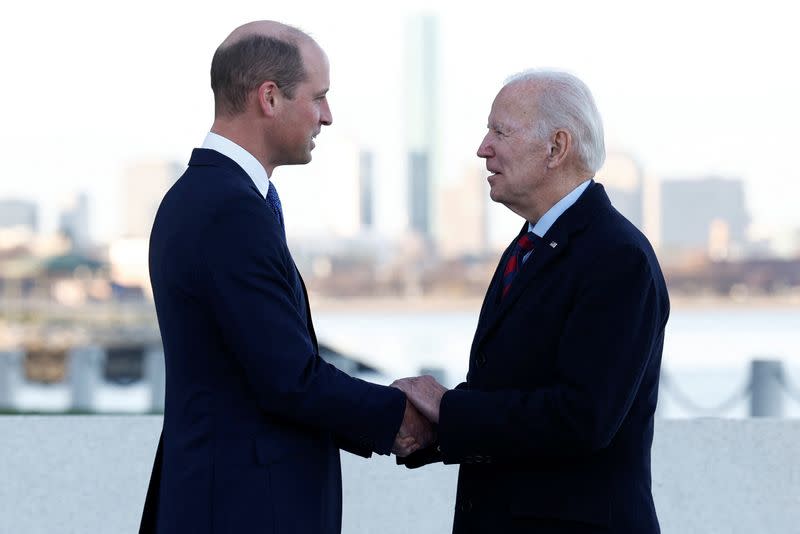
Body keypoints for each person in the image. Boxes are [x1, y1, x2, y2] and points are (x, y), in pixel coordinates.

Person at [139, 21, 432, 534]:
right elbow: (289, 379)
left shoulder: (206, 197)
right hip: (241, 510)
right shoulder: (228, 209)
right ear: (269, 97)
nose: (328, 116)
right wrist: (403, 418)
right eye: (318, 97)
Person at [394, 70, 670, 533]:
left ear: (556, 148)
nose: (484, 148)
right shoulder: (532, 246)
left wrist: (447, 410)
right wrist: (434, 431)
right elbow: (512, 392)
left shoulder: (616, 257)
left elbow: (582, 419)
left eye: (500, 131)